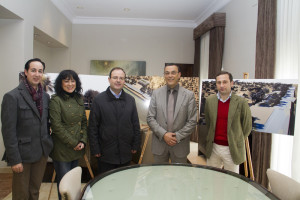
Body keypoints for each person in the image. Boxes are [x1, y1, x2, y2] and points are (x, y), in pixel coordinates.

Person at [1, 58, 53, 200]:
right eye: (33, 70)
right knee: (21, 194)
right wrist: (14, 159)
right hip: (22, 155)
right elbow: (8, 131)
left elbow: (45, 123)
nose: (37, 74)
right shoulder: (12, 96)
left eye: (40, 71)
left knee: (34, 191)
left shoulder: (45, 96)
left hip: (41, 152)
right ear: (26, 72)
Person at [88, 67, 140, 174]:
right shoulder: (98, 100)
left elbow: (135, 124)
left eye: (121, 78)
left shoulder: (130, 100)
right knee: (106, 186)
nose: (118, 80)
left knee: (124, 185)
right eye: (115, 77)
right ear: (109, 79)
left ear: (124, 81)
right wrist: (95, 149)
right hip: (105, 153)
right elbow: (93, 127)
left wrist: (136, 145)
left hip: (125, 152)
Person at [147, 63, 197, 163]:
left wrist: (176, 136)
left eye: (173, 73)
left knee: (179, 177)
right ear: (164, 75)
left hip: (180, 146)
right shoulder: (156, 94)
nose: (170, 75)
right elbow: (150, 118)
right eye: (167, 73)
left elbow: (192, 121)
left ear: (179, 75)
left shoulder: (189, 95)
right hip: (159, 145)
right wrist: (164, 134)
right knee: (159, 176)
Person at [49, 70, 87, 200]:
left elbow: (83, 122)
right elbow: (56, 127)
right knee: (64, 186)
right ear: (60, 83)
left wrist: (83, 141)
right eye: (66, 81)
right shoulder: (56, 100)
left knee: (74, 183)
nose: (70, 84)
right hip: (62, 149)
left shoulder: (79, 99)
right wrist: (74, 143)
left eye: (72, 81)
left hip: (77, 148)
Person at [204, 71, 252, 173]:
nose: (222, 85)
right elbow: (209, 123)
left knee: (231, 181)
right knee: (211, 178)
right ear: (216, 84)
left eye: (225, 82)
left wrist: (236, 139)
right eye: (219, 82)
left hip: (232, 149)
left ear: (231, 83)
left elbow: (247, 127)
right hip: (213, 148)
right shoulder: (209, 101)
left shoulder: (241, 102)